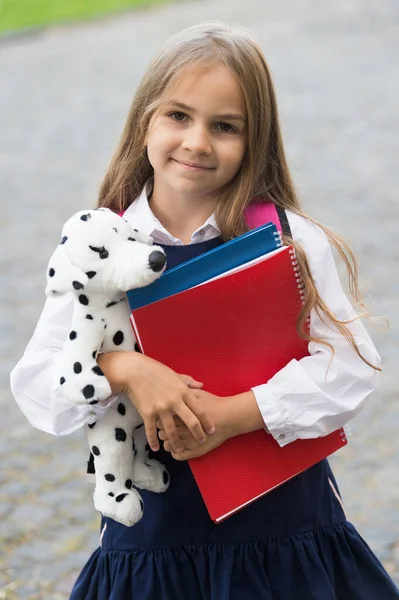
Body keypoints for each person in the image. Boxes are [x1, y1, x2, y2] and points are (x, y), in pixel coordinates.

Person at [10, 21, 399, 600]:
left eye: (225, 127)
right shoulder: (97, 247)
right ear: (145, 121)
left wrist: (235, 415)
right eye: (178, 116)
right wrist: (126, 370)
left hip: (285, 537)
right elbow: (38, 385)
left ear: (256, 140)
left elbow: (352, 368)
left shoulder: (289, 241)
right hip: (153, 548)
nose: (197, 142)